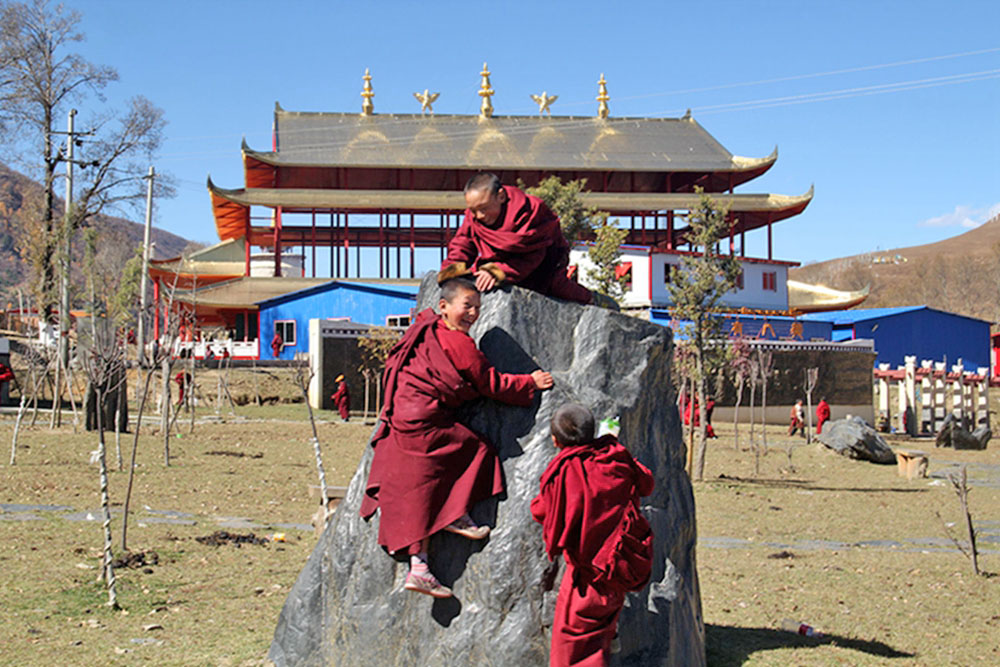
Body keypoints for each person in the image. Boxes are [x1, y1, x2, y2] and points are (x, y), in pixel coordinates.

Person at [360, 273, 554, 598]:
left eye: (477, 307)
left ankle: (420, 566)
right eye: (467, 306)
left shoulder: (426, 329)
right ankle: (454, 517)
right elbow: (491, 383)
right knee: (476, 451)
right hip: (423, 421)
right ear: (443, 306)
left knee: (414, 493)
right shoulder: (458, 343)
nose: (473, 314)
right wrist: (529, 383)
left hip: (402, 419)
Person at [531, 403, 655, 667]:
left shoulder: (564, 471)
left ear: (555, 441)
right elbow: (646, 482)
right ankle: (609, 637)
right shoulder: (615, 456)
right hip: (620, 565)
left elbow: (541, 511)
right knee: (601, 628)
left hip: (587, 575)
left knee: (573, 649)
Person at [440, 172, 594, 305]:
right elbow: (464, 242)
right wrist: (454, 268)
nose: (479, 216)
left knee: (556, 287)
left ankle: (593, 299)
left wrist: (497, 272)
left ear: (500, 196)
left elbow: (534, 255)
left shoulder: (530, 211)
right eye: (473, 210)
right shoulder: (474, 216)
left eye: (484, 209)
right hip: (498, 261)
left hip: (544, 263)